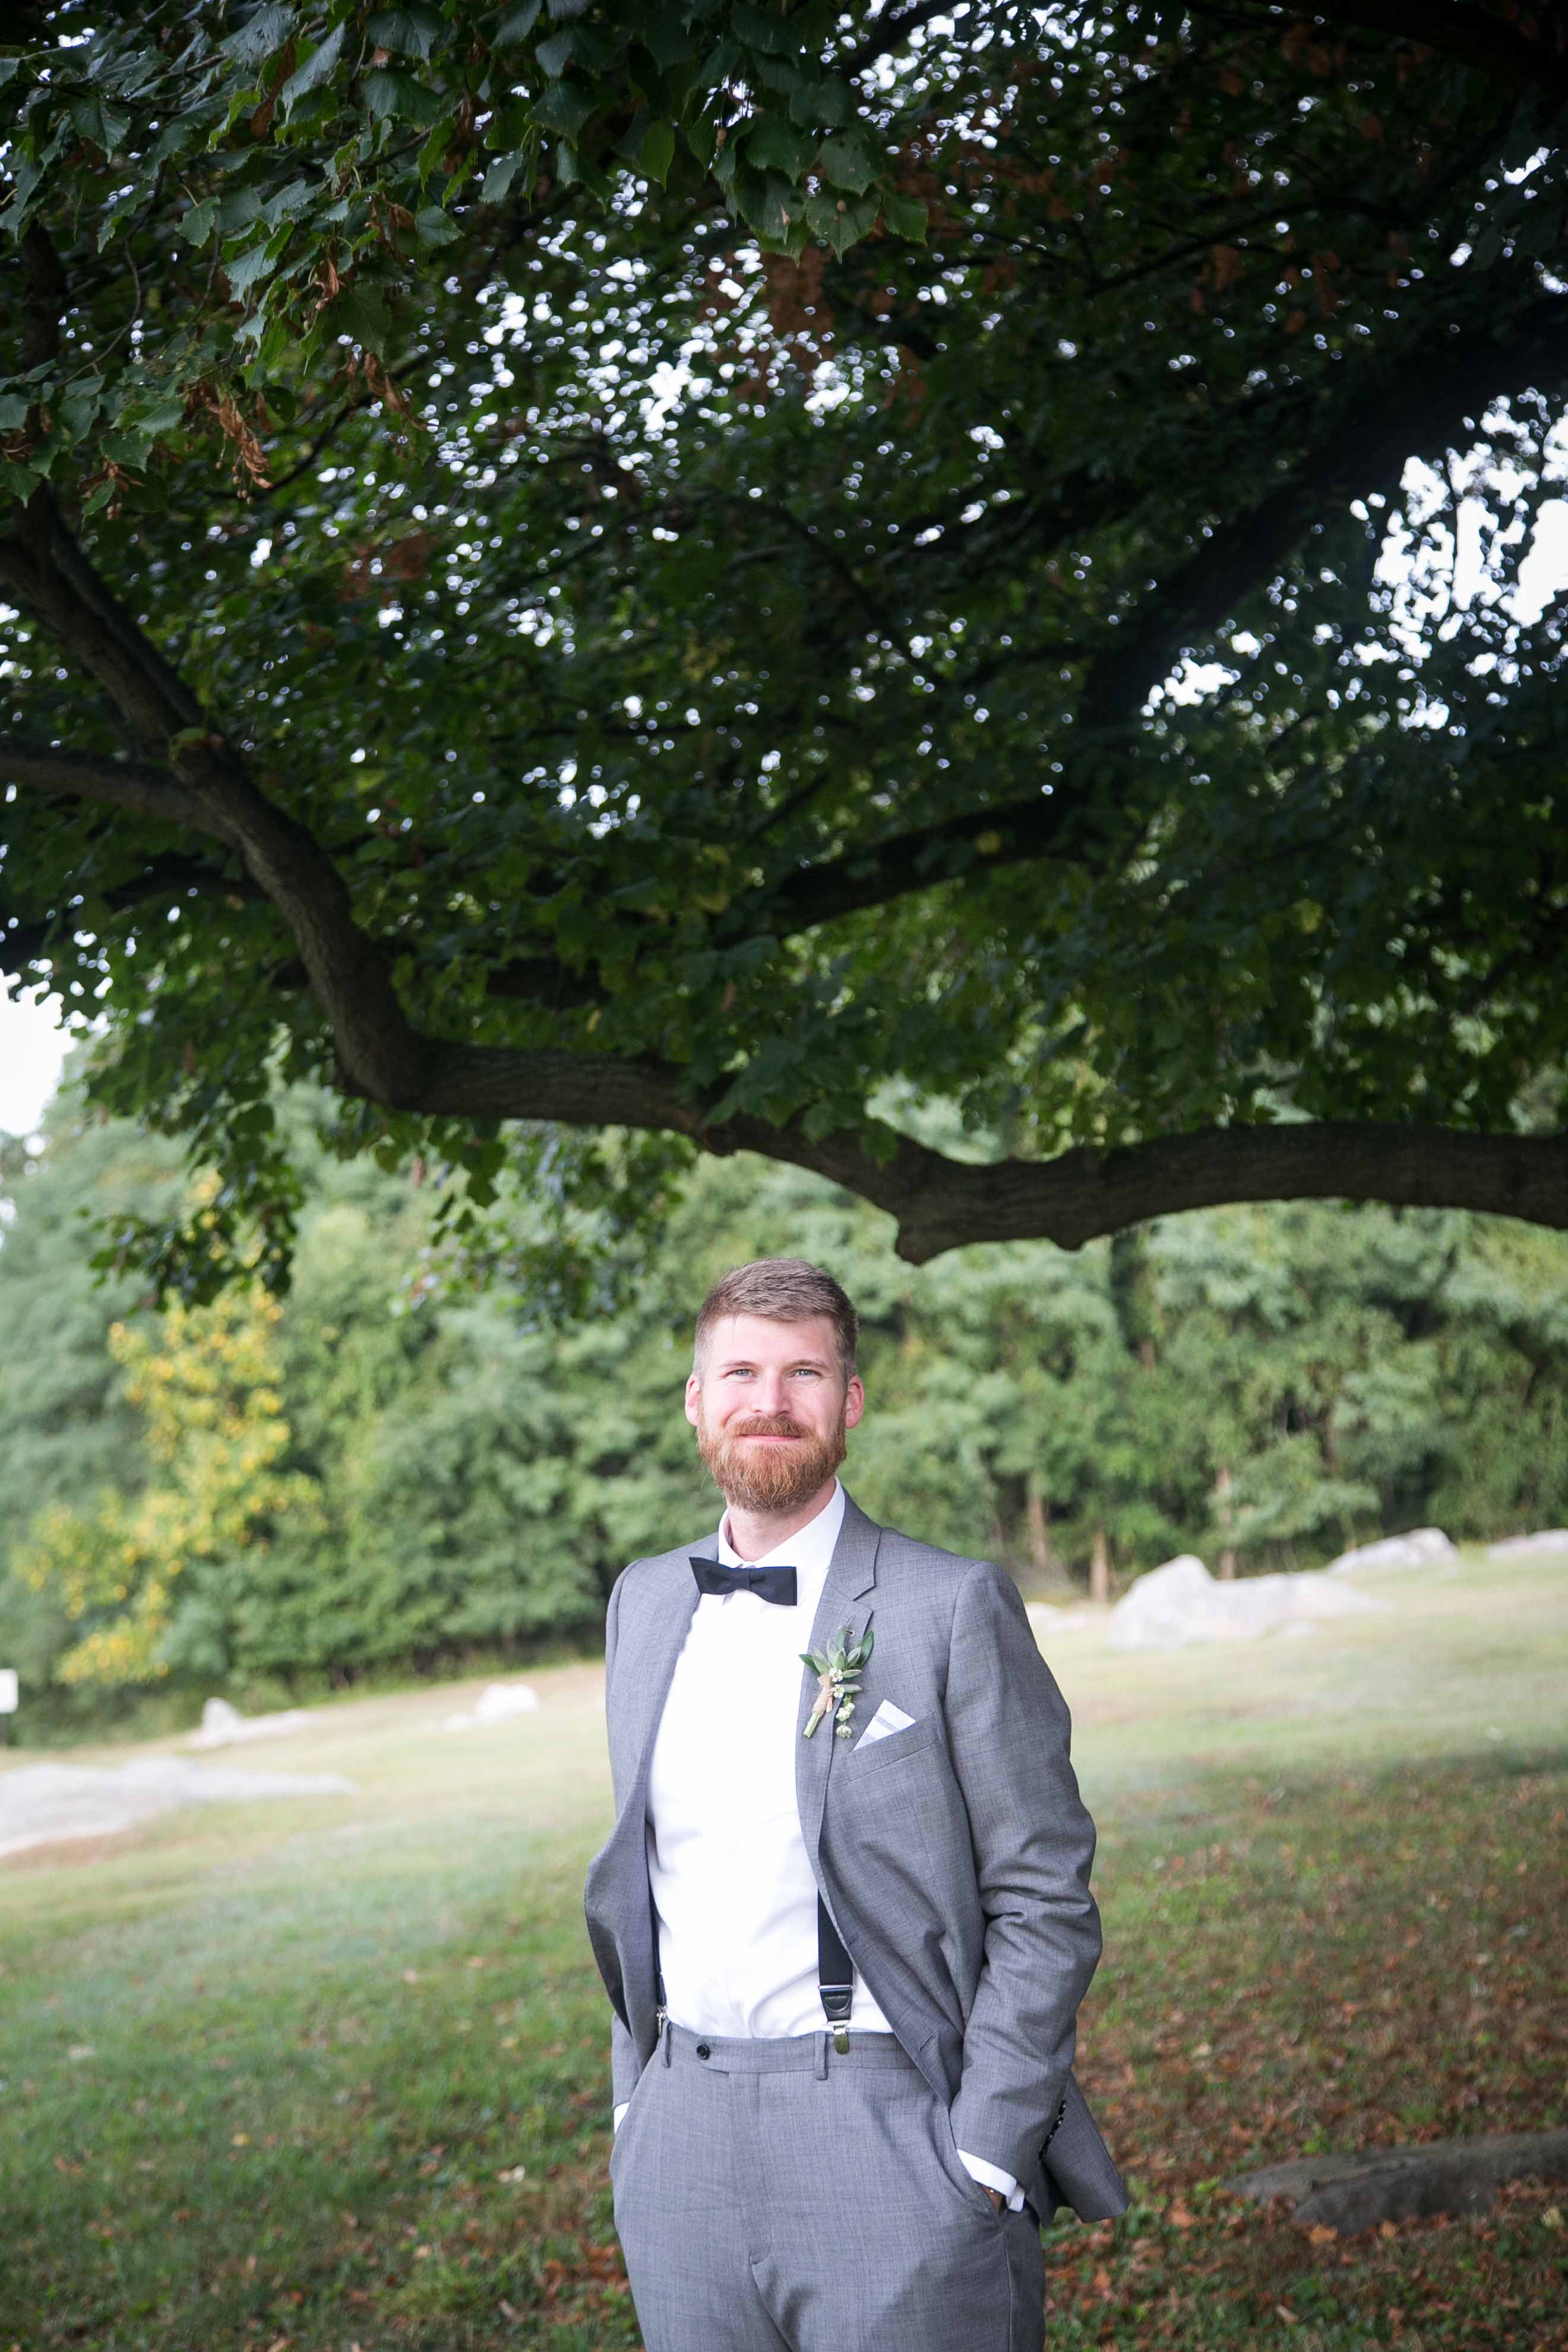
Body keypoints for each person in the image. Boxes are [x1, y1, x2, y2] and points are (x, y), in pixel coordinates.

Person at [584, 1257, 1126, 2351]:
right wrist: (636, 2107)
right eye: (740, 1372)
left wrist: (983, 2152)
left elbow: (1045, 1897)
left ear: (851, 1401)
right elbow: (642, 1881)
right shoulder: (643, 1602)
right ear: (696, 1401)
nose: (770, 1401)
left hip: (889, 2133)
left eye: (805, 1373)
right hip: (680, 2145)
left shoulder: (949, 1604)